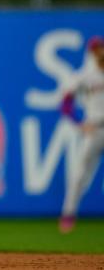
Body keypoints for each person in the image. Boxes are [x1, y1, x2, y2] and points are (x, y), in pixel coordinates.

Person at [58, 36, 104, 234]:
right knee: (78, 175)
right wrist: (79, 123)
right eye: (95, 49)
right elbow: (65, 103)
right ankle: (68, 214)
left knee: (79, 173)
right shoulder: (84, 76)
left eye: (100, 47)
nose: (99, 51)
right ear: (90, 53)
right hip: (93, 127)